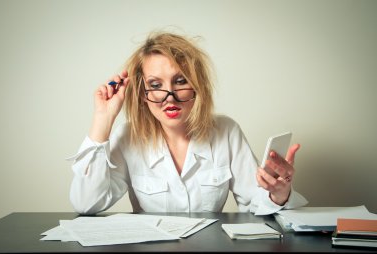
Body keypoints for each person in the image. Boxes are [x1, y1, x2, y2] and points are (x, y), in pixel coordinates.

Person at [68, 31, 308, 215]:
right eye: (155, 85)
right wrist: (103, 118)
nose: (168, 96)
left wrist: (279, 194)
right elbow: (87, 203)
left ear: (197, 85)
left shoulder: (226, 131)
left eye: (180, 81)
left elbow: (257, 202)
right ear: (142, 93)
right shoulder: (129, 136)